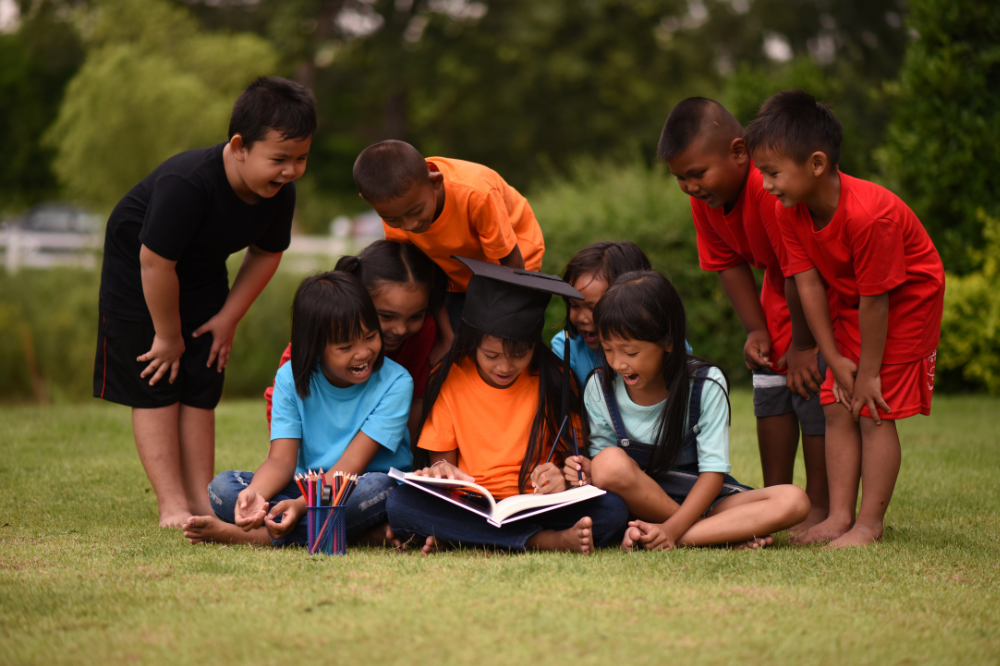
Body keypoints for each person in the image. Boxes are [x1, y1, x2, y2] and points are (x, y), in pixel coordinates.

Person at [92, 77, 315, 528]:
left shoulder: (278, 193)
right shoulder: (188, 183)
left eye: (301, 159)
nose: (290, 171)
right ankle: (171, 504)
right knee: (158, 376)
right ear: (239, 147)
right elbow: (155, 264)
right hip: (141, 273)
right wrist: (168, 335)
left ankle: (201, 499)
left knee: (202, 376)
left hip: (201, 270)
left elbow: (267, 254)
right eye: (279, 159)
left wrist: (228, 318)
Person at [745, 90, 945, 548]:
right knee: (836, 402)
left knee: (872, 407)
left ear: (816, 164)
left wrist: (869, 373)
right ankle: (838, 517)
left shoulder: (870, 217)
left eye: (773, 173)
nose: (766, 184)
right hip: (856, 297)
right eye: (762, 174)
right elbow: (808, 283)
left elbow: (880, 300)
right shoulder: (788, 210)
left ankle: (869, 525)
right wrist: (831, 358)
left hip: (906, 300)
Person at [657, 97, 829, 533]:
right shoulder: (707, 203)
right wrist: (757, 329)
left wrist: (804, 345)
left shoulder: (768, 190)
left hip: (817, 294)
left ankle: (820, 506)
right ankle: (774, 499)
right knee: (769, 385)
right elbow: (727, 264)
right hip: (780, 290)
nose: (690, 187)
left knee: (809, 390)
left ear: (738, 153)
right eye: (680, 178)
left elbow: (798, 270)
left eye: (697, 174)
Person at [386, 257, 628, 554]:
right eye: (491, 355)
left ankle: (464, 537)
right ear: (473, 342)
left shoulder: (555, 378)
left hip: (537, 504)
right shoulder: (451, 376)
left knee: (613, 509)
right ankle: (544, 541)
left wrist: (560, 478)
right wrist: (440, 471)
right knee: (400, 504)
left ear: (534, 345)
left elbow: (571, 462)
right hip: (473, 505)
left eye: (520, 354)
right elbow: (442, 463)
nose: (504, 366)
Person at [563, 271, 810, 550]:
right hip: (639, 501)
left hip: (705, 498)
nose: (618, 363)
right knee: (607, 463)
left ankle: (671, 536)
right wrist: (588, 469)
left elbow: (713, 475)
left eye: (631, 353)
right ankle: (719, 535)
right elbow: (607, 474)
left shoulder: (705, 384)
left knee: (794, 500)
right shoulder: (600, 386)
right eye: (608, 350)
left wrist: (672, 529)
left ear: (668, 341)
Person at [183, 271, 414, 547]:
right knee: (224, 489)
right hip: (306, 489)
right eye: (346, 346)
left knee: (378, 489)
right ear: (315, 347)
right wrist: (256, 494)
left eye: (370, 337)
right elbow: (281, 461)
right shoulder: (289, 378)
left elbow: (350, 467)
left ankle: (251, 536)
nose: (363, 353)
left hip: (356, 487)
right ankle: (358, 535)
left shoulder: (396, 382)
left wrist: (301, 506)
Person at [352, 140, 545, 343]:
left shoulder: (476, 193)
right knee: (459, 342)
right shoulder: (396, 206)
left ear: (435, 181)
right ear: (367, 199)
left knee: (504, 341)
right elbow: (425, 276)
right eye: (392, 220)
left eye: (416, 211)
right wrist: (447, 338)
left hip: (513, 267)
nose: (408, 225)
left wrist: (509, 317)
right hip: (456, 269)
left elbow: (510, 262)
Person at [264, 240, 447, 442]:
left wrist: (408, 461)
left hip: (383, 448)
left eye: (415, 316)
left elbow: (417, 401)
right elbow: (284, 398)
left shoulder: (423, 333)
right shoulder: (324, 332)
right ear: (358, 300)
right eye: (386, 316)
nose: (401, 329)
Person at [550, 241, 692, 388]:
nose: (582, 318)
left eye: (594, 309)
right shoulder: (566, 348)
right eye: (574, 305)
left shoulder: (665, 346)